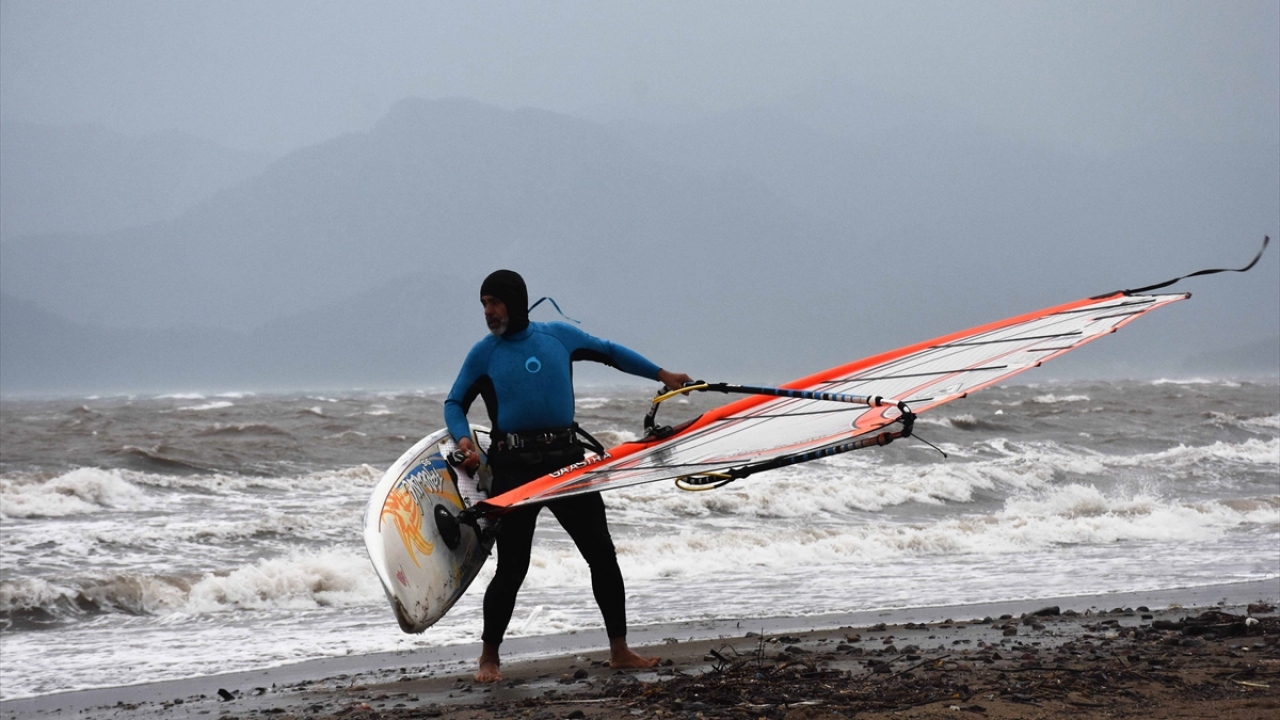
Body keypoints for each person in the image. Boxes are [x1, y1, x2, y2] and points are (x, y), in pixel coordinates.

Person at [445, 269, 692, 684]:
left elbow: (612, 352)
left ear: (515, 302)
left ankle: (619, 650)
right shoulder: (484, 353)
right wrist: (464, 440)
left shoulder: (558, 336)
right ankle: (489, 658)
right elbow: (455, 403)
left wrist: (661, 374)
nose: (488, 311)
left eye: (495, 302)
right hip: (515, 468)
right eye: (484, 304)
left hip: (567, 462)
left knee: (601, 555)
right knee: (512, 567)